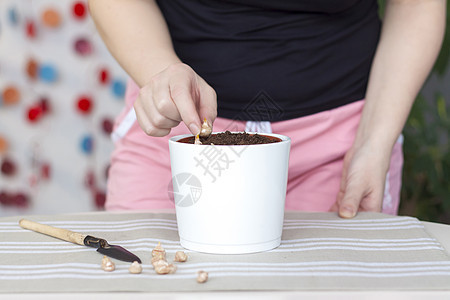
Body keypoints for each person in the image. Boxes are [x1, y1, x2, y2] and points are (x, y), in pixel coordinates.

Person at [88, 0, 446, 217]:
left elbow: (416, 4)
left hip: (342, 145)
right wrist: (159, 72)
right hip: (178, 137)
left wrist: (375, 141)